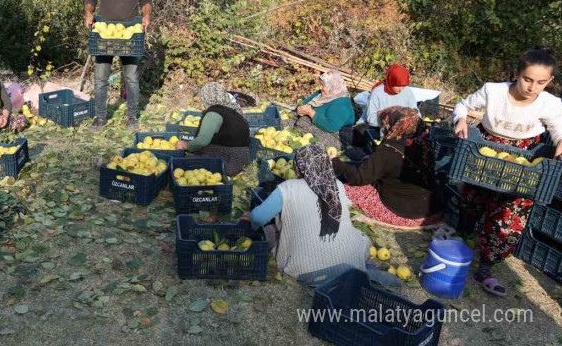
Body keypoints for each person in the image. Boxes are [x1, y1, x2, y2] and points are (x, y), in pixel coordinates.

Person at [452, 48, 562, 297]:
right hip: (486, 150)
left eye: (541, 82)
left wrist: (561, 144)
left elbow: (559, 130)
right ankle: (459, 243)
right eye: (527, 79)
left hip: (522, 159)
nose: (532, 87)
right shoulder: (494, 90)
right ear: (516, 73)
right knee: (474, 201)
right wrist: (460, 120)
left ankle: (486, 267)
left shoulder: (550, 103)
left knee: (510, 213)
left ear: (550, 81)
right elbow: (463, 106)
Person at [244, 144, 371, 285]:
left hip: (306, 269)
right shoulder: (337, 185)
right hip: (351, 262)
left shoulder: (288, 188)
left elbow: (258, 217)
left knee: (269, 231)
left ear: (298, 169)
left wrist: (251, 217)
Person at [84, 0, 152, 131]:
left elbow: (146, 0)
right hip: (104, 34)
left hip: (130, 33)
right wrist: (89, 13)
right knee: (101, 78)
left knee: (131, 77)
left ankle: (132, 117)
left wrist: (146, 16)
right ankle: (100, 118)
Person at [332, 107, 441, 228]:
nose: (382, 129)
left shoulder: (388, 149)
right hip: (431, 211)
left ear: (392, 125)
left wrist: (336, 163)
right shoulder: (424, 144)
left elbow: (360, 177)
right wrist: (372, 161)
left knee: (345, 188)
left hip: (404, 214)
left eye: (383, 126)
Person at [174, 83, 251, 176]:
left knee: (188, 159)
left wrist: (185, 145)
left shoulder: (214, 113)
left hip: (228, 162)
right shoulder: (234, 109)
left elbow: (203, 141)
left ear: (206, 98)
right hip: (243, 160)